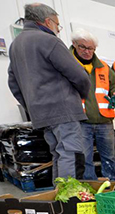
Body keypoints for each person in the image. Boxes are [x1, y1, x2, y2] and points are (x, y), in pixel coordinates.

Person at [8, 3, 91, 179]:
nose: (58, 30)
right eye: (57, 25)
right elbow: (79, 75)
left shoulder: (16, 45)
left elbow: (13, 83)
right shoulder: (49, 41)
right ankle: (70, 195)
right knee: (71, 154)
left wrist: (31, 105)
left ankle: (59, 193)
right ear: (47, 22)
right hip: (63, 111)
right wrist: (81, 96)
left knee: (58, 155)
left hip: (41, 115)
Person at [70, 29, 115, 180]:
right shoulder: (68, 65)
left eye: (91, 48)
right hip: (81, 120)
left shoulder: (103, 67)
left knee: (109, 157)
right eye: (83, 47)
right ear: (74, 44)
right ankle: (90, 186)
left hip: (104, 120)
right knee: (85, 158)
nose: (87, 51)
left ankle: (111, 183)